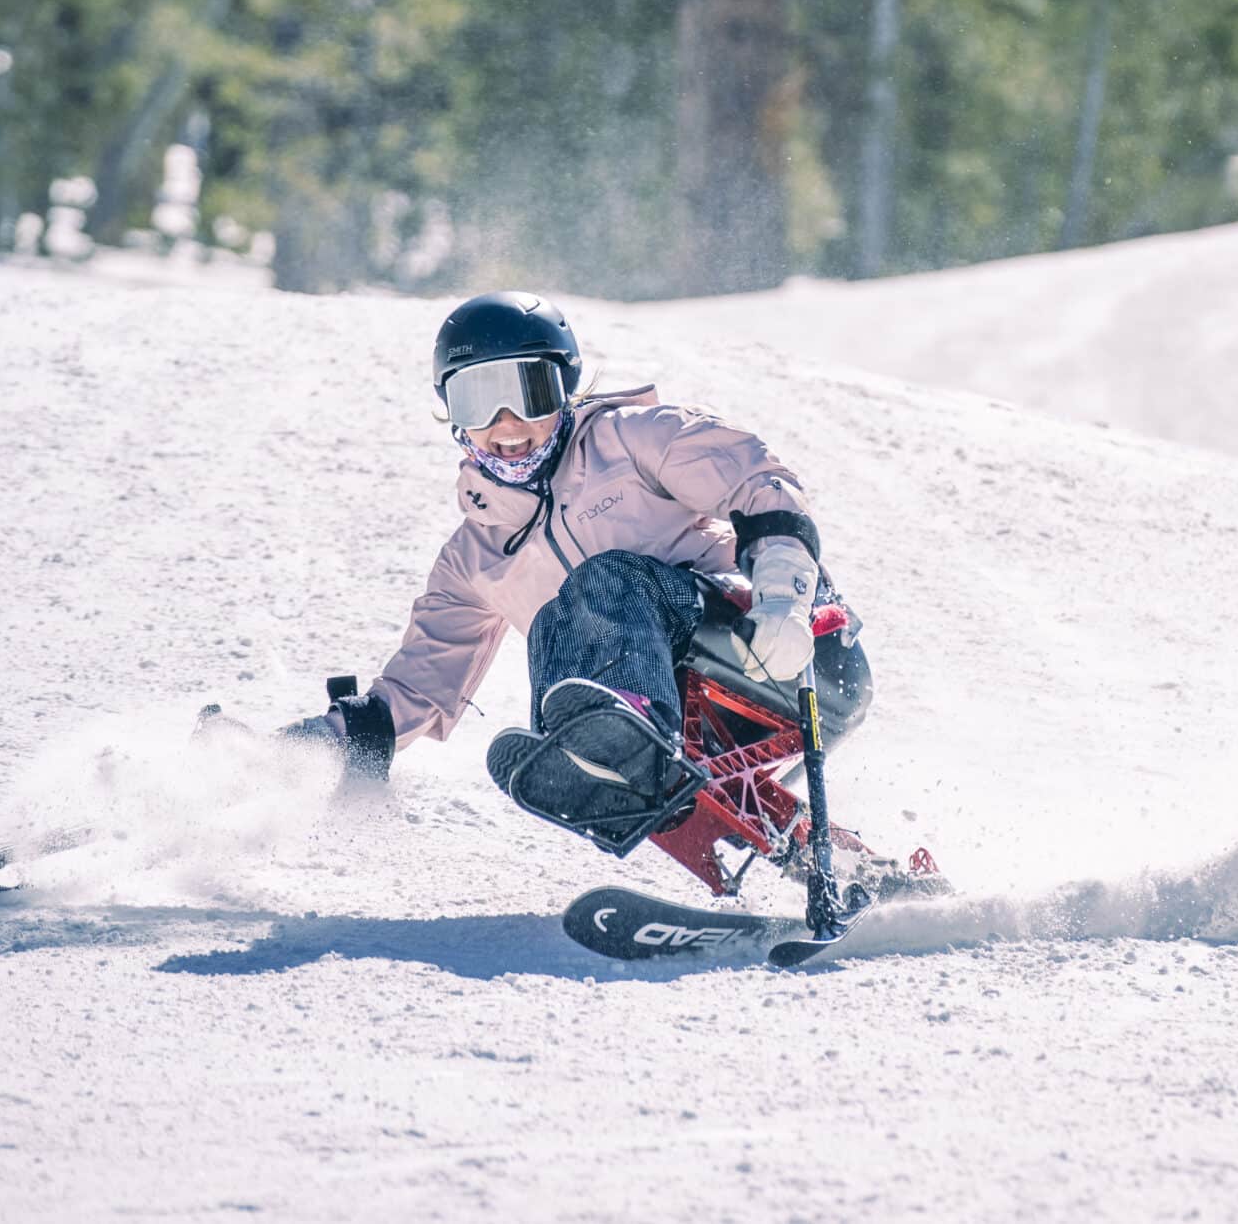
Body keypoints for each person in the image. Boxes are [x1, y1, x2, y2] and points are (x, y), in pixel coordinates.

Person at [287, 290, 875, 839]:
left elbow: (758, 482)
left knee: (603, 582)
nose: (506, 424)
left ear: (564, 386)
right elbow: (418, 689)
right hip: (691, 734)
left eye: (528, 391)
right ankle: (608, 766)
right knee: (554, 624)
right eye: (477, 400)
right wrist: (307, 752)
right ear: (451, 411)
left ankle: (620, 742)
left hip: (789, 658)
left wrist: (783, 597)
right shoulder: (474, 558)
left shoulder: (634, 440)